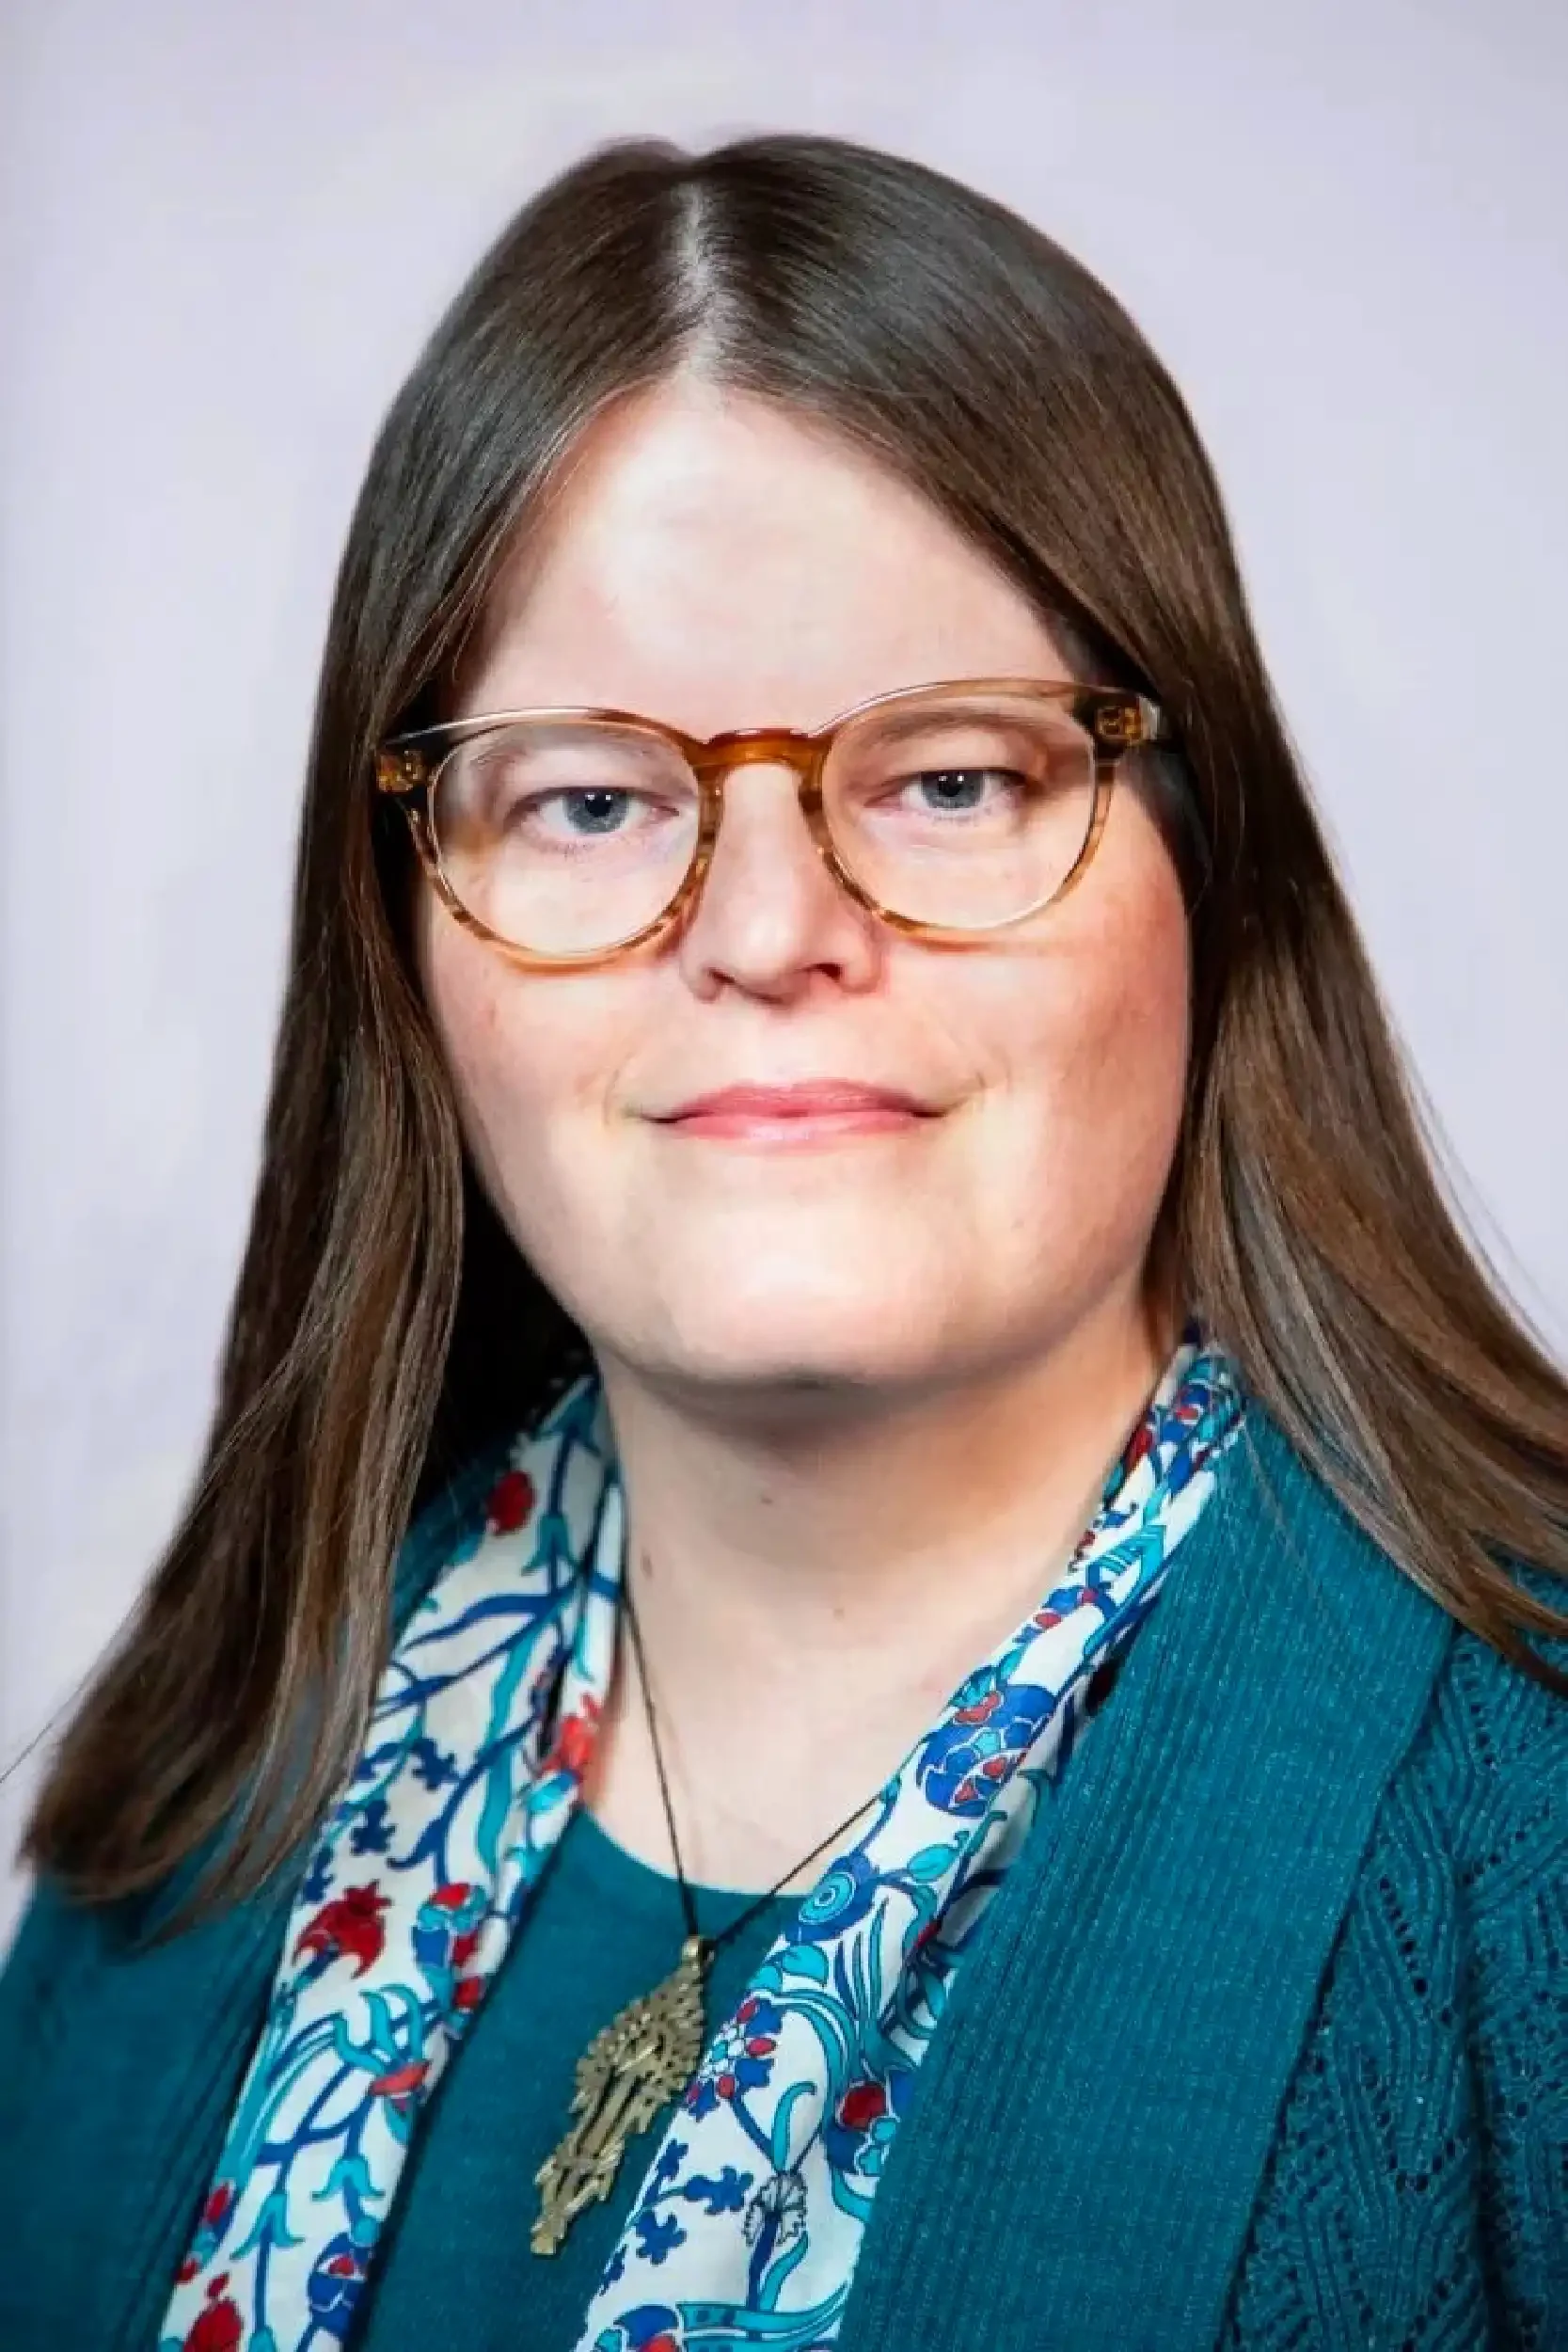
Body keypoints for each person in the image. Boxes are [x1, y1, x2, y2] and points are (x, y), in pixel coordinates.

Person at [0, 131, 1563, 2352]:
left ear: (1205, 871)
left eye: (948, 779)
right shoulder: (202, 1802)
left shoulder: (1525, 1837)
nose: (764, 930)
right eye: (590, 798)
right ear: (405, 935)